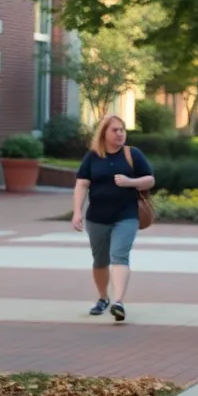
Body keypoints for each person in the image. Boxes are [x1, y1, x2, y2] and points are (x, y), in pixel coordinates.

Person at [72, 114, 155, 322]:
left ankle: (118, 302)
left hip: (126, 215)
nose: (120, 134)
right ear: (104, 133)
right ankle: (103, 298)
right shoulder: (92, 157)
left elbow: (150, 180)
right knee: (100, 260)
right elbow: (82, 184)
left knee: (119, 254)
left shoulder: (132, 154)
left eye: (122, 130)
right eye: (115, 130)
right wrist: (77, 212)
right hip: (97, 217)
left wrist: (130, 181)